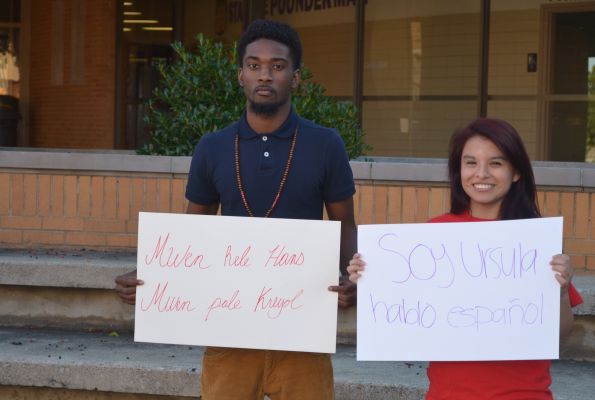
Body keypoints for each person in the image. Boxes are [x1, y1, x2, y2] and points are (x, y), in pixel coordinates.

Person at [115, 19, 357, 400]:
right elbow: (191, 233)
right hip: (230, 330)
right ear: (240, 75)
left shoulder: (325, 144)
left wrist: (349, 279)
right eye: (254, 65)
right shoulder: (212, 147)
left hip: (302, 332)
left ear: (295, 78)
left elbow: (345, 223)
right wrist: (151, 276)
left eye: (277, 66)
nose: (265, 74)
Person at [347, 118, 583, 400]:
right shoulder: (433, 236)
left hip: (524, 393)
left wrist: (559, 291)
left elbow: (559, 334)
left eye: (496, 163)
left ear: (516, 171)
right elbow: (406, 311)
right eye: (470, 163)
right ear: (458, 171)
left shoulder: (535, 240)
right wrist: (371, 275)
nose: (481, 174)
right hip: (449, 394)